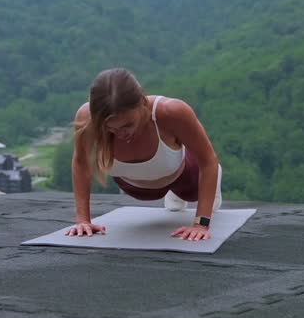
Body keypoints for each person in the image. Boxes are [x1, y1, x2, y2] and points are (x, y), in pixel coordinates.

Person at [65, 68, 221, 242]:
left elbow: (208, 160)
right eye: (110, 128)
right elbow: (80, 163)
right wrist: (83, 220)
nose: (121, 134)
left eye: (127, 125)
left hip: (182, 176)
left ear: (142, 102)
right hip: (134, 187)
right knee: (145, 193)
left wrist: (201, 223)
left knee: (194, 194)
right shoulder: (86, 118)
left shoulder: (171, 111)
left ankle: (189, 188)